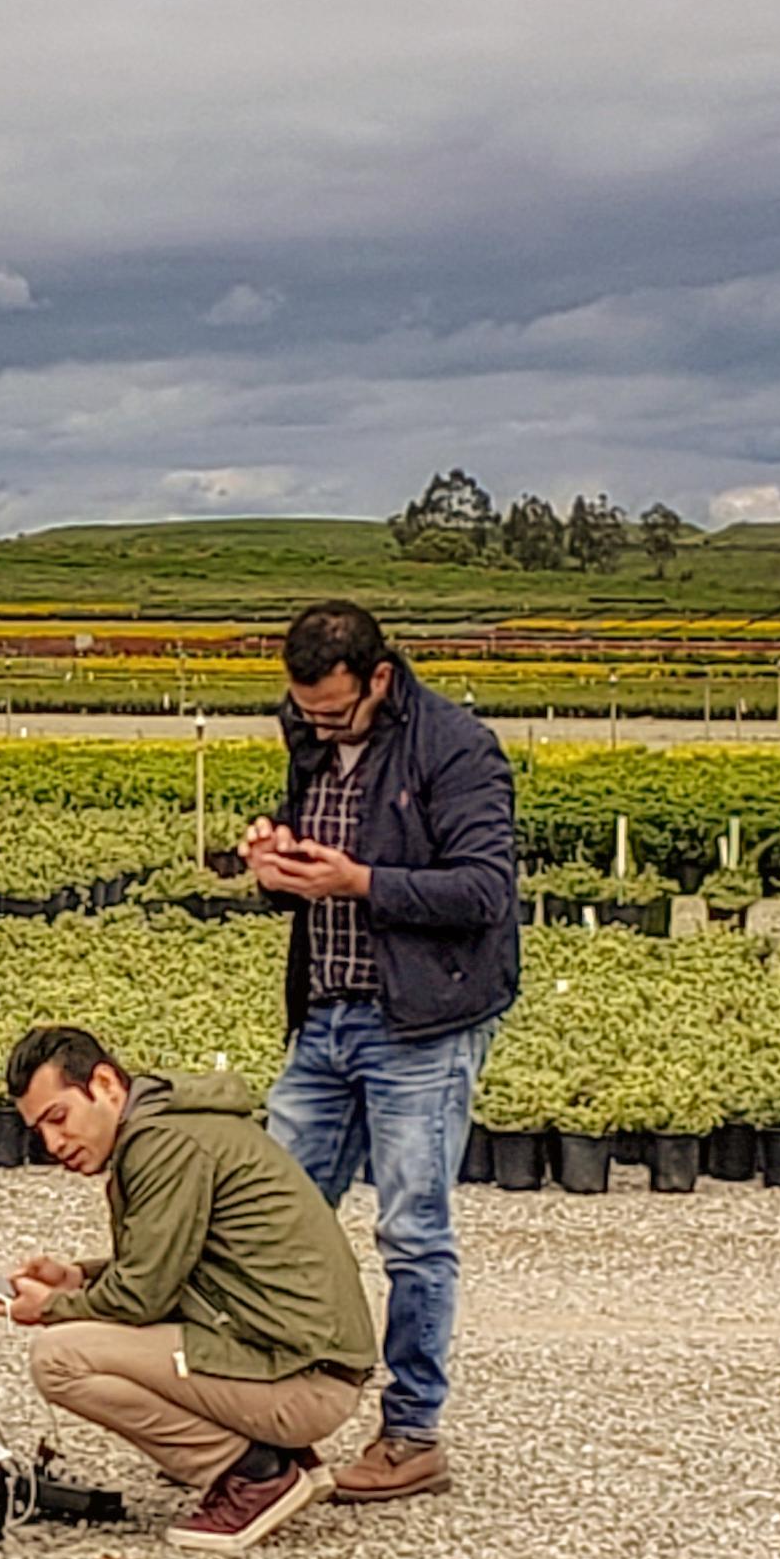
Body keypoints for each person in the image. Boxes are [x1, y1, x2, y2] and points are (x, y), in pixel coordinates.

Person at [241, 599, 517, 1503]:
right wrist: (276, 866)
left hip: (422, 1024)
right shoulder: (309, 733)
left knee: (413, 1231)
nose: (314, 725)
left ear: (381, 678)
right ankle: (268, 1410)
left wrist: (357, 880)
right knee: (274, 1216)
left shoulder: (456, 747)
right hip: (325, 1013)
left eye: (331, 711)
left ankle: (412, 1433)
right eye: (303, 710)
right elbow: (313, 863)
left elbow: (483, 890)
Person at [3, 1024, 378, 1553]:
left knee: (58, 1357)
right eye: (38, 1130)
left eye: (58, 1118)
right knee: (90, 1330)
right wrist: (81, 1277)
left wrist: (54, 1307)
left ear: (106, 1084)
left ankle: (255, 1475)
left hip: (304, 1382)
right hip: (304, 1362)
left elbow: (141, 1298)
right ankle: (282, 1459)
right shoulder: (177, 1127)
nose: (53, 1143)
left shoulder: (163, 1144)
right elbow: (174, 1264)